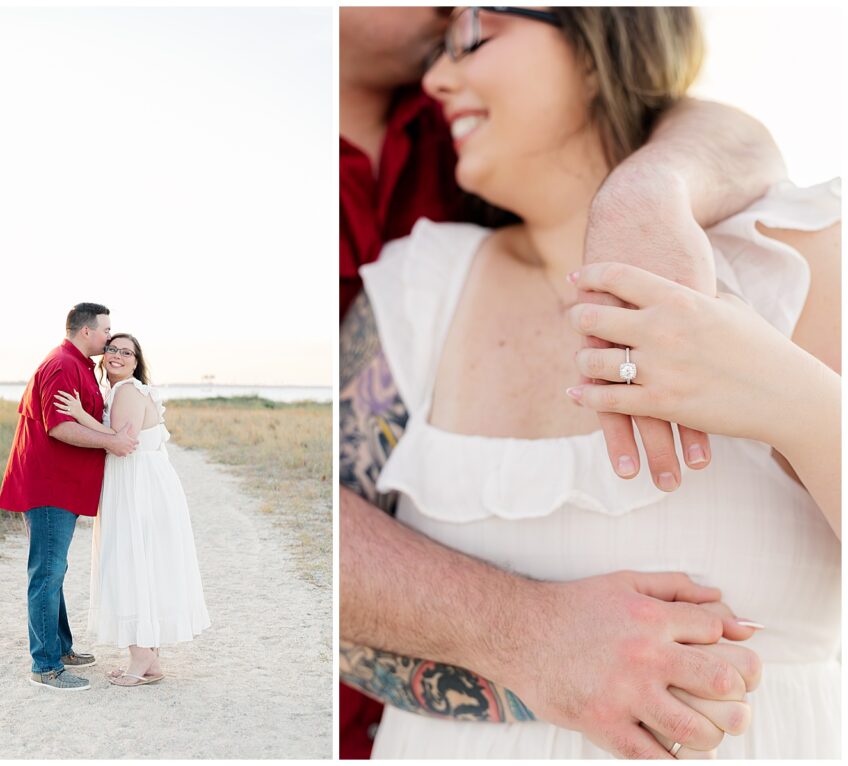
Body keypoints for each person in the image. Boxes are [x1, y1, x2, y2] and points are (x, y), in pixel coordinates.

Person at [344, 5, 840, 758]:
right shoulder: (417, 287)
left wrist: (796, 404)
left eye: (474, 31)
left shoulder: (796, 255)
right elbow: (325, 568)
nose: (438, 78)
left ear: (599, 34)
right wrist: (537, 640)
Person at [54, 333, 210, 687]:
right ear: (103, 355)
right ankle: (149, 659)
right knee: (143, 564)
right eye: (112, 349)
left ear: (137, 361)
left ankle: (141, 657)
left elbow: (120, 441)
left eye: (127, 352)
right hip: (143, 484)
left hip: (137, 486)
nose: (118, 356)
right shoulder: (125, 390)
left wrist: (78, 415)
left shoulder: (126, 391)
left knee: (130, 563)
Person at [0, 303, 139, 691]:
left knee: (54, 570)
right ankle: (45, 666)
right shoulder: (62, 364)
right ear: (85, 331)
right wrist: (113, 442)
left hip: (61, 484)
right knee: (46, 572)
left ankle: (60, 648)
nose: (110, 337)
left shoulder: (79, 365)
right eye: (105, 330)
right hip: (48, 485)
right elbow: (59, 427)